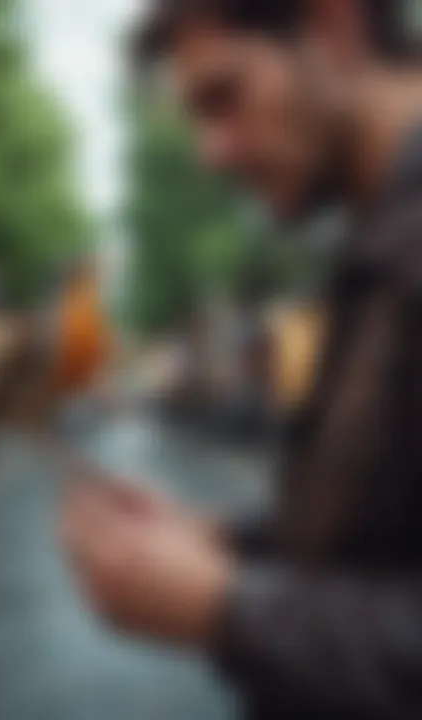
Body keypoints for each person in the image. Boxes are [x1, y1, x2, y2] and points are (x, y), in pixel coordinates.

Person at [58, 1, 422, 718]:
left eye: (225, 97)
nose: (212, 152)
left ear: (334, 28)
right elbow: (382, 528)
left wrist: (222, 607)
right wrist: (220, 539)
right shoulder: (375, 241)